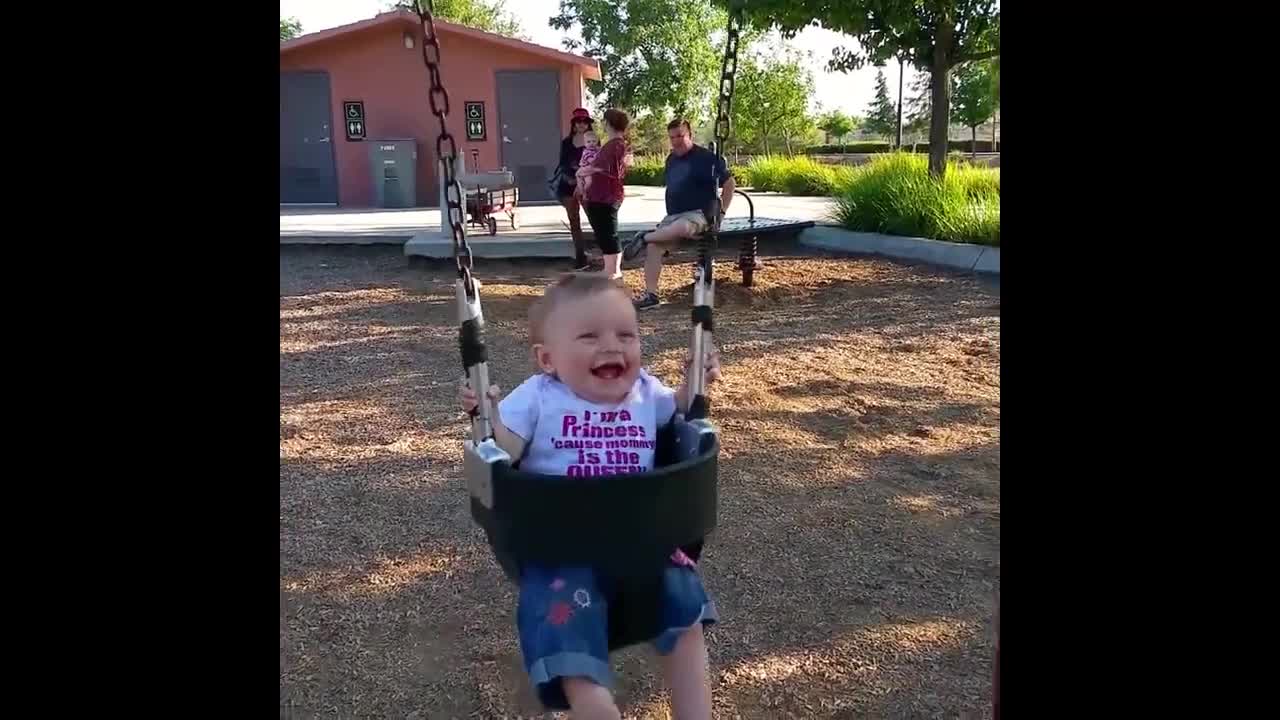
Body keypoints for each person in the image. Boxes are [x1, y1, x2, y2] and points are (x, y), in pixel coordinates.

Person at [458, 273, 721, 719]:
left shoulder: (645, 393)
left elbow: (679, 413)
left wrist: (696, 381)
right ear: (547, 359)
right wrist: (488, 416)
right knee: (564, 626)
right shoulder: (538, 398)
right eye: (589, 336)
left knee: (685, 607)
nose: (612, 347)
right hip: (563, 550)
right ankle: (595, 707)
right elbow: (507, 450)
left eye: (626, 335)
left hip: (642, 545)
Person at [620, 118, 736, 310]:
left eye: (680, 136)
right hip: (673, 216)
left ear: (690, 135)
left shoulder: (707, 158)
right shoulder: (671, 159)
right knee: (655, 247)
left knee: (682, 227)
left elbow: (729, 183)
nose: (676, 141)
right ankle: (651, 295)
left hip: (699, 213)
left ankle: (644, 237)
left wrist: (721, 212)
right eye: (672, 137)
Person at [578, 108, 631, 280]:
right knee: (605, 231)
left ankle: (613, 270)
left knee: (607, 231)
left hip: (604, 196)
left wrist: (581, 172)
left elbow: (599, 166)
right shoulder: (620, 144)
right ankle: (610, 268)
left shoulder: (613, 145)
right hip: (606, 194)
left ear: (608, 123)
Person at [554, 108, 595, 271]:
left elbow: (597, 163)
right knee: (574, 222)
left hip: (587, 186)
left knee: (595, 219)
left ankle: (605, 254)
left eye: (585, 122)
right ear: (574, 124)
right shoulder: (566, 142)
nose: (582, 125)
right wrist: (573, 176)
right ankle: (581, 257)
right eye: (579, 122)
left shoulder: (593, 142)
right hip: (569, 186)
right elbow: (563, 164)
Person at [574, 130, 601, 198]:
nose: (591, 143)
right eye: (588, 142)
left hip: (590, 170)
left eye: (594, 141)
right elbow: (592, 161)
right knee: (589, 182)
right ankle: (583, 192)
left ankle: (586, 193)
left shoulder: (596, 150)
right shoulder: (586, 152)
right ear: (585, 143)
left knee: (592, 182)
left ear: (597, 142)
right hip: (585, 169)